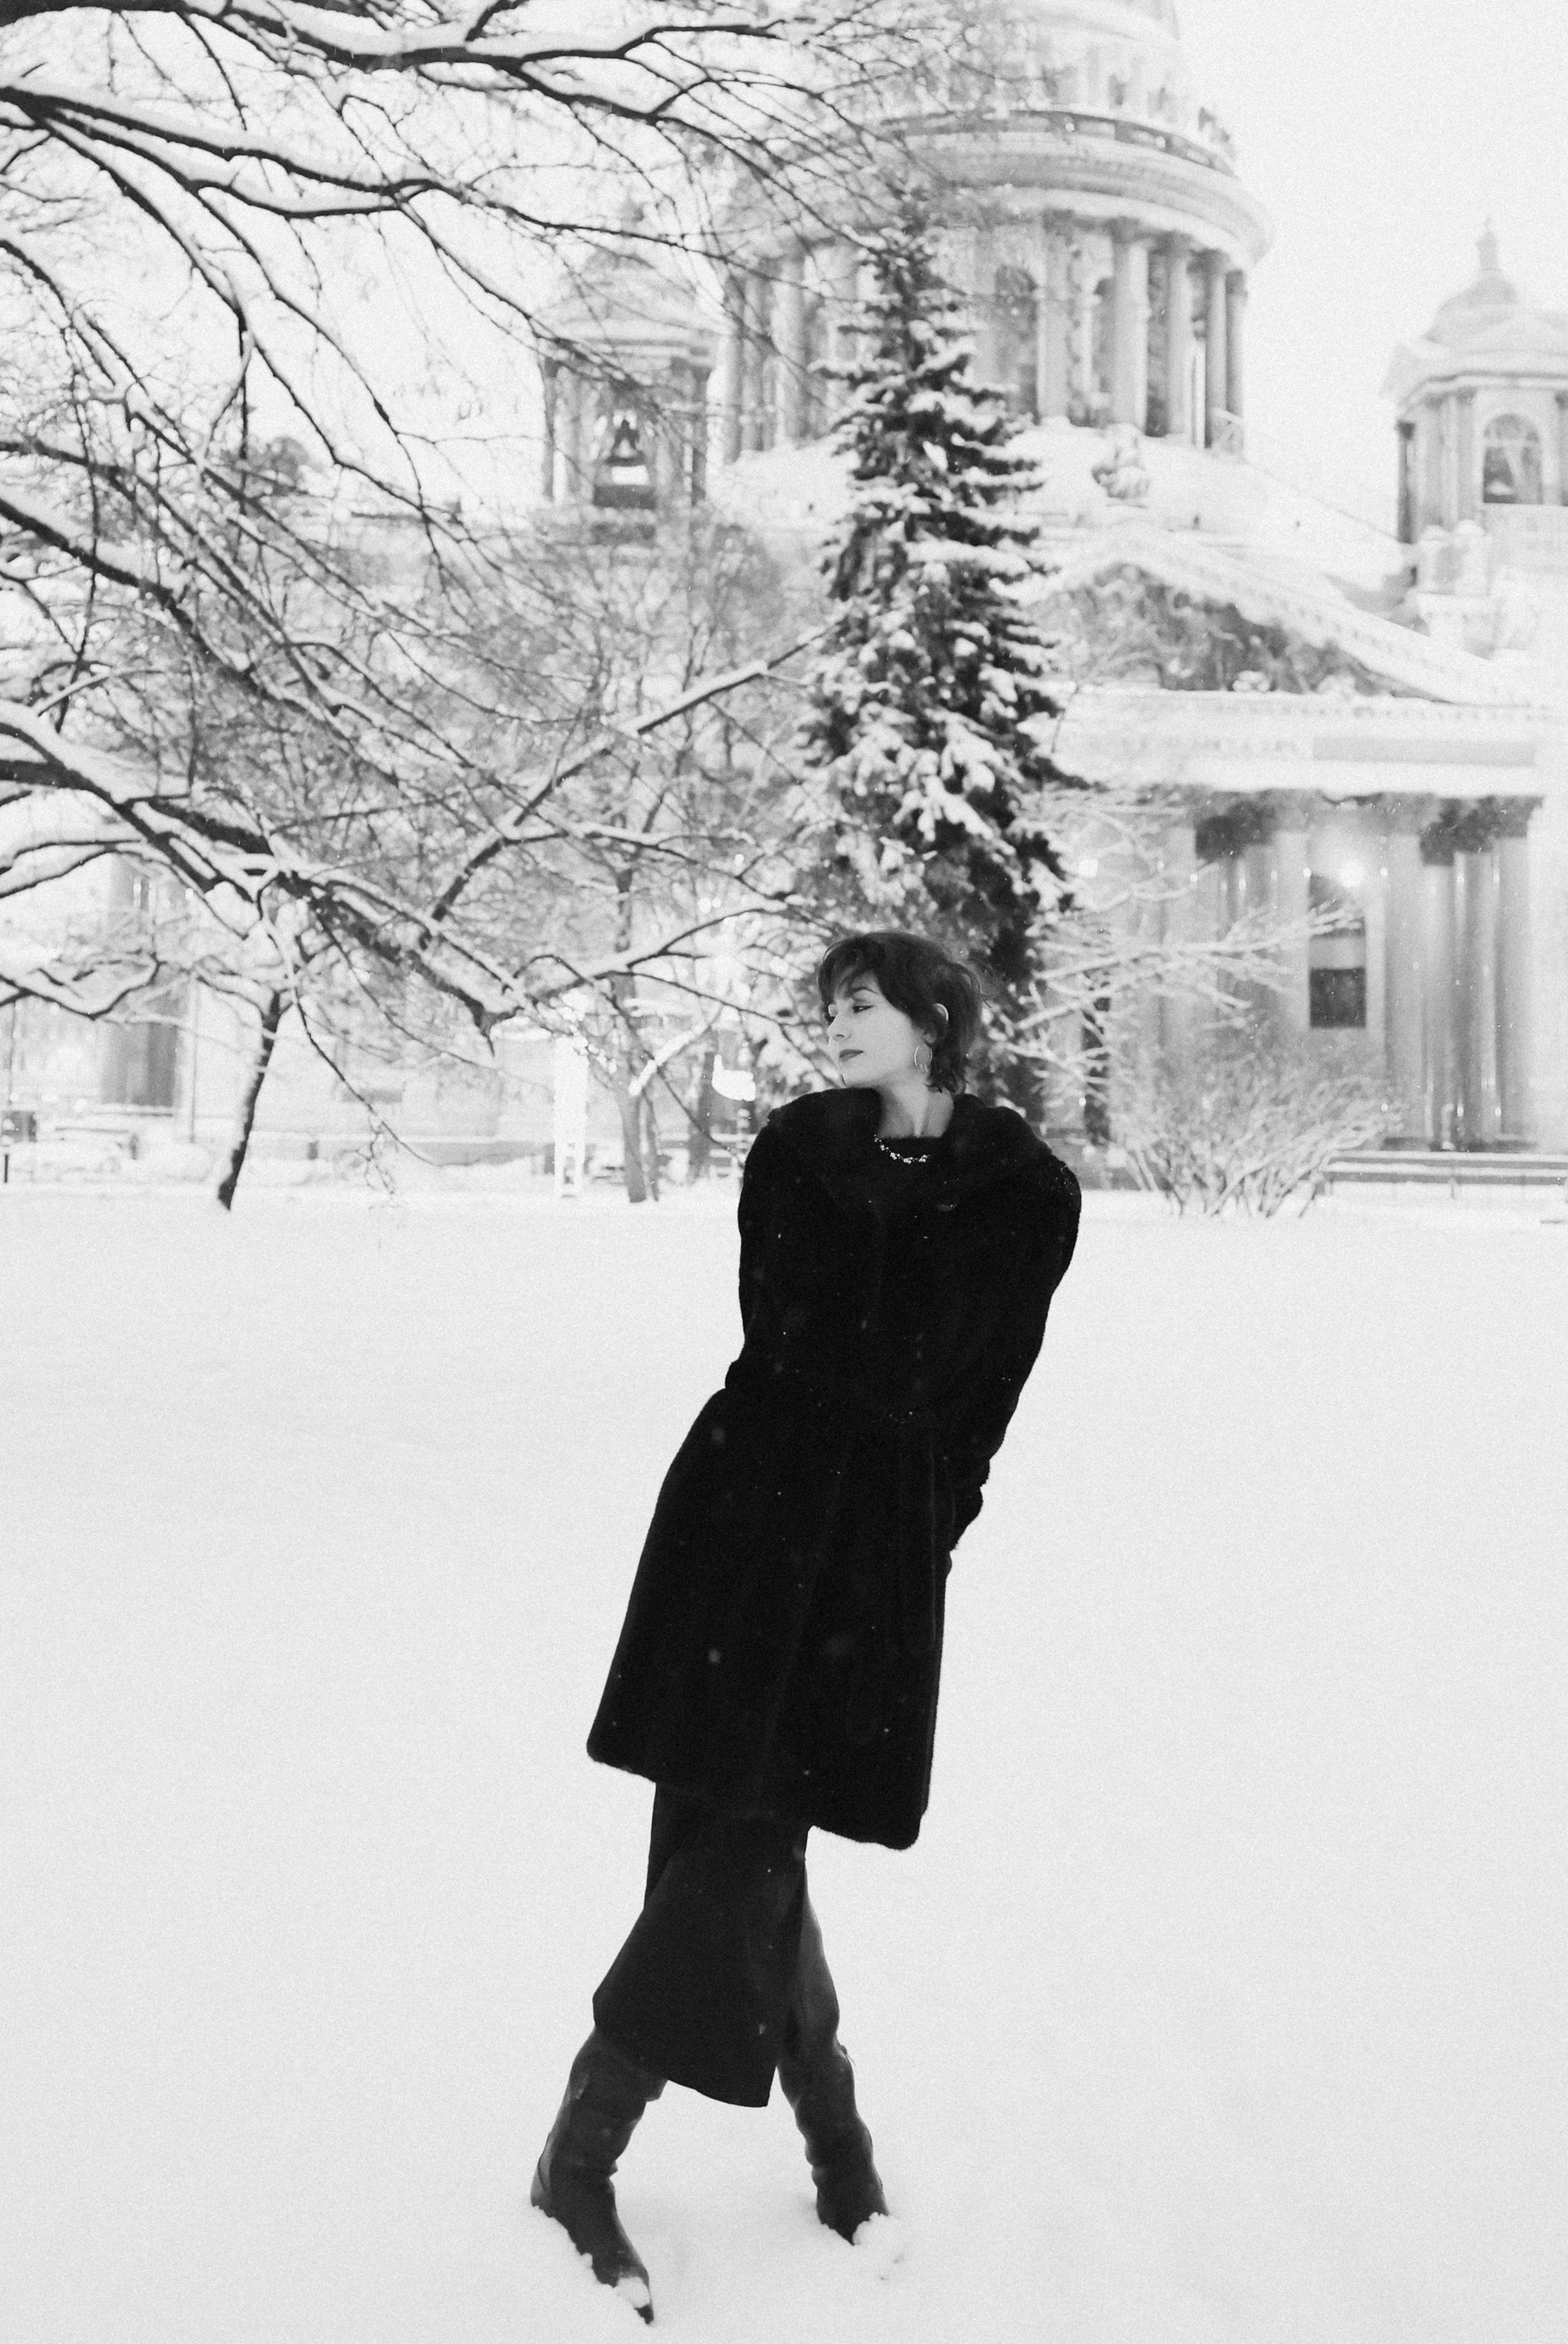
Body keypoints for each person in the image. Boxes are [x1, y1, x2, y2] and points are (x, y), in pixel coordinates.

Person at [531, 928, 1083, 2321]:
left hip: (876, 1540)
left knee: (748, 1827)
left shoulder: (1024, 1193)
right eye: (828, 1003)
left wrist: (926, 1525)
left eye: (864, 1002)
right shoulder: (794, 1154)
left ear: (932, 1016)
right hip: (746, 1510)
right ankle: (631, 2156)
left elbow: (990, 1394)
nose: (836, 1023)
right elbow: (766, 1334)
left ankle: (796, 2145)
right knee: (739, 1830)